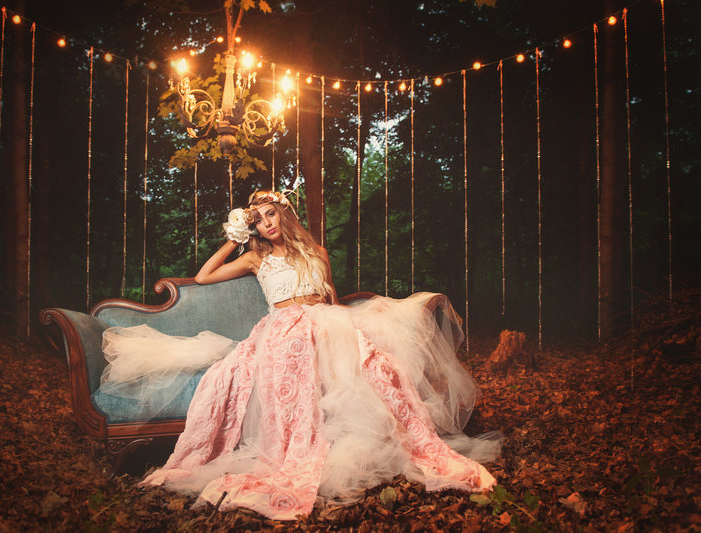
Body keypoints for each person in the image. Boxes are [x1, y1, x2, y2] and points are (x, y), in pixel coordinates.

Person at [101, 190, 502, 520]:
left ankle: (402, 439)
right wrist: (235, 237)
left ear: (284, 214)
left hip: (326, 319)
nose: (266, 223)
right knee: (292, 344)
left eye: (270, 214)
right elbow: (204, 276)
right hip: (283, 324)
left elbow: (331, 298)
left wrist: (357, 324)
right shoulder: (256, 257)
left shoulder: (317, 252)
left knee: (377, 366)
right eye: (258, 220)